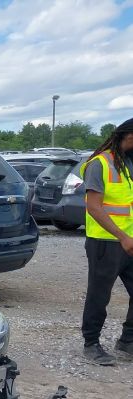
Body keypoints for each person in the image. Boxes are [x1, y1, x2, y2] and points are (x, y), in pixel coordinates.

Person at [80, 117, 133, 365]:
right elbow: (94, 207)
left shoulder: (130, 164)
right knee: (99, 295)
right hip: (105, 241)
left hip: (129, 241)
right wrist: (122, 236)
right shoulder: (100, 164)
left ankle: (127, 341)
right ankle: (91, 344)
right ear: (127, 136)